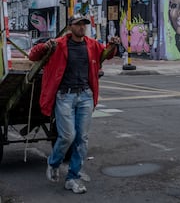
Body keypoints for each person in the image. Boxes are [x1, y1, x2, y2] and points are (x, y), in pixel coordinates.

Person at [29, 14, 120, 194]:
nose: (82, 27)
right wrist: (45, 46)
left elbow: (105, 54)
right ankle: (53, 163)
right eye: (78, 24)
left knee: (82, 140)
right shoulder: (58, 44)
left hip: (85, 96)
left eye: (84, 24)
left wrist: (113, 45)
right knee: (67, 136)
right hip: (65, 97)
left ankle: (73, 178)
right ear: (70, 26)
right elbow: (33, 55)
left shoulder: (91, 44)